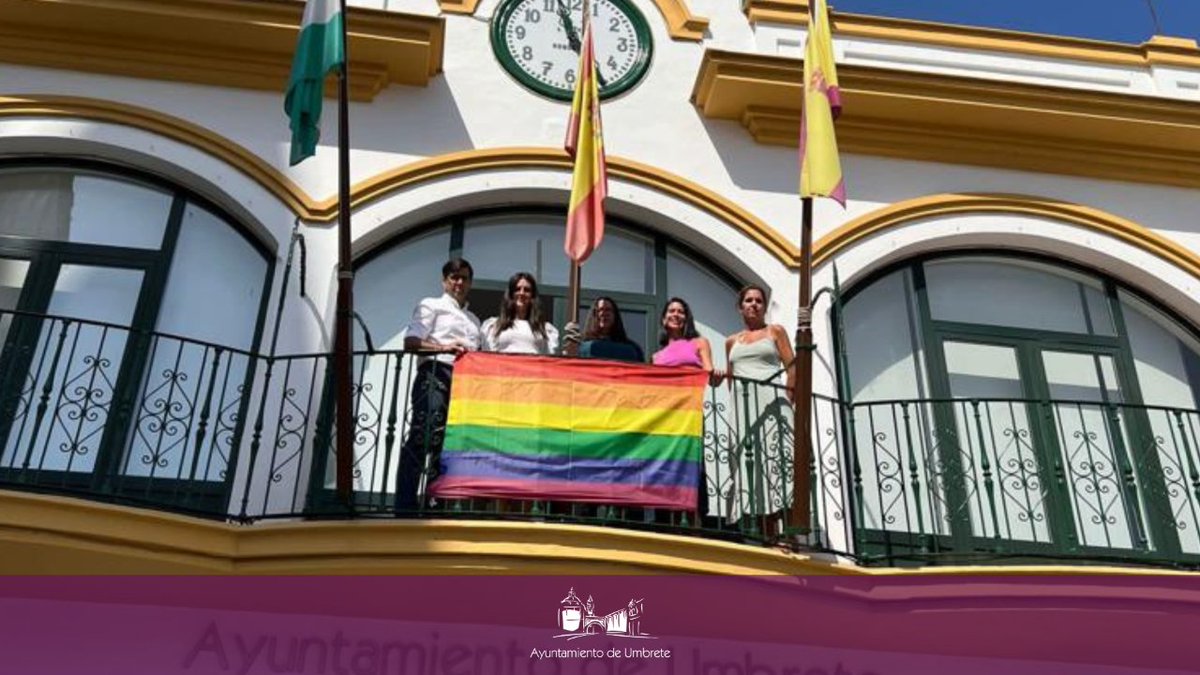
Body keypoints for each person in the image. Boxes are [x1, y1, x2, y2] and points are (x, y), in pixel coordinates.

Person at [395, 258, 481, 511]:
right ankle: (406, 503)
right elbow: (411, 342)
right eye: (454, 277)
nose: (459, 282)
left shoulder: (475, 320)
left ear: (470, 283)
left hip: (464, 384)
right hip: (435, 373)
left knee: (447, 442)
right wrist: (444, 347)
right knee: (424, 433)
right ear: (444, 281)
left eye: (464, 277)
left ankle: (434, 503)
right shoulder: (430, 305)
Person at [724, 284, 796, 535]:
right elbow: (732, 380)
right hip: (745, 410)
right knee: (753, 467)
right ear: (740, 307)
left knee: (779, 464)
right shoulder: (731, 341)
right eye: (748, 300)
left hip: (774, 406)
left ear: (764, 307)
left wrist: (786, 400)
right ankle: (769, 534)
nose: (754, 304)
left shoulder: (775, 332)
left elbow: (792, 368)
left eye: (758, 301)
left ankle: (789, 534)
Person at [481, 272, 559, 355]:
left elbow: (550, 359)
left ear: (532, 296)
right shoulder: (493, 326)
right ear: (511, 294)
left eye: (527, 290)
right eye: (517, 289)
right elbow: (487, 357)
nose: (522, 293)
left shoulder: (545, 329)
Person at [563, 296, 645, 363]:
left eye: (608, 310)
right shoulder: (580, 346)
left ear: (615, 316)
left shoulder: (632, 349)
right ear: (594, 315)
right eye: (600, 310)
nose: (603, 314)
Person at [652, 297, 713, 370]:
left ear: (686, 319)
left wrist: (716, 379)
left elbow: (709, 373)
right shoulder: (656, 357)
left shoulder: (700, 343)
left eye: (680, 312)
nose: (676, 314)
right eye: (671, 311)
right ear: (664, 320)